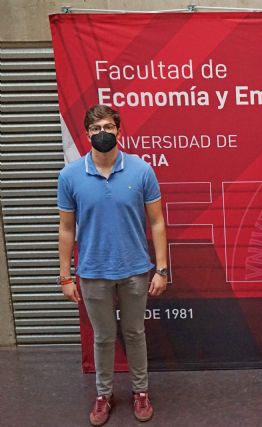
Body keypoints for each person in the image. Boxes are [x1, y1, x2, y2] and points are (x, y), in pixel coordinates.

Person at [57, 105, 168, 425]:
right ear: (87, 134)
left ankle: (141, 391)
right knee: (103, 337)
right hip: (92, 272)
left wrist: (161, 269)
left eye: (108, 126)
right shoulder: (70, 176)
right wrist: (65, 276)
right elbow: (66, 228)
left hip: (135, 270)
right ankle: (103, 394)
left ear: (119, 131)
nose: (102, 133)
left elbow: (157, 222)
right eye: (95, 128)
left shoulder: (141, 170)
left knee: (134, 333)